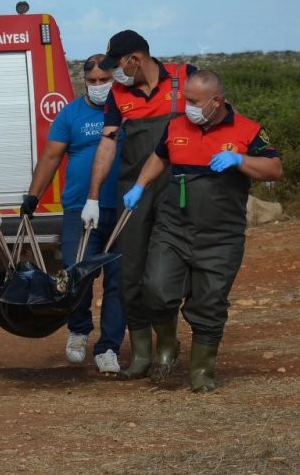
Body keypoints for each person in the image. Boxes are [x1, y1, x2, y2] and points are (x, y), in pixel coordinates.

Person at [123, 70, 282, 391]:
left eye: (194, 102)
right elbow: (159, 158)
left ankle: (201, 372)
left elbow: (275, 169)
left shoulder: (249, 130)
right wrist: (140, 185)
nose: (188, 107)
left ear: (216, 101)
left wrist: (239, 160)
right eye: (186, 100)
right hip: (173, 228)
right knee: (155, 288)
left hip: (221, 236)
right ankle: (167, 345)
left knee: (209, 302)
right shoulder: (175, 125)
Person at [83, 30, 195, 380]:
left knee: (162, 275)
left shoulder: (184, 78)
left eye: (118, 66)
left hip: (178, 190)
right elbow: (107, 144)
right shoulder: (118, 94)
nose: (115, 74)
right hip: (134, 192)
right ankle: (142, 353)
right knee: (129, 275)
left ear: (135, 59)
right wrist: (93, 195)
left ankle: (166, 348)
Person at [20, 54, 126, 373]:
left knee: (119, 281)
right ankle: (79, 331)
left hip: (123, 209)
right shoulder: (71, 115)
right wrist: (32, 196)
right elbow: (51, 157)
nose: (98, 87)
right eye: (91, 81)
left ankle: (108, 347)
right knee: (75, 273)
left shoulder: (129, 112)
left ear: (115, 79)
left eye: (104, 81)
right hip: (80, 208)